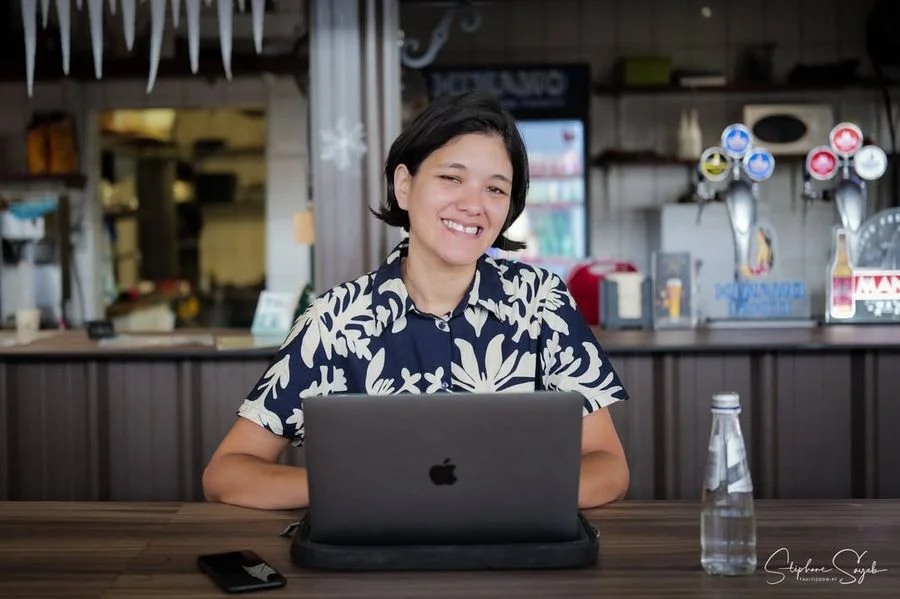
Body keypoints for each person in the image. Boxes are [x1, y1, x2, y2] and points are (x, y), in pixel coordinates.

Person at [202, 90, 631, 511]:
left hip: (514, 547)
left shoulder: (542, 302)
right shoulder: (334, 320)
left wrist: (502, 494)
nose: (473, 205)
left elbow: (608, 466)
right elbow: (227, 472)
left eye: (495, 189)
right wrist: (356, 490)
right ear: (404, 185)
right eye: (452, 178)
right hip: (375, 551)